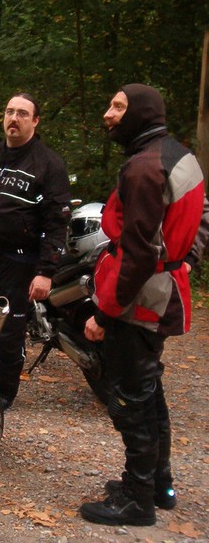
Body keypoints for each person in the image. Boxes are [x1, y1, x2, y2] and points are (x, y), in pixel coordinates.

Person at [79, 84, 204, 526]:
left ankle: (137, 498)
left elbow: (137, 253)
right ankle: (157, 483)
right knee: (149, 391)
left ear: (141, 113)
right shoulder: (178, 155)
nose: (108, 114)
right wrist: (187, 258)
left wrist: (104, 313)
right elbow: (201, 215)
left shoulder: (144, 168)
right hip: (163, 288)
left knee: (131, 397)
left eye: (117, 107)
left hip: (142, 299)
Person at [0, 93, 71, 411]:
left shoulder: (49, 164)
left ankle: (3, 394)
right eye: (9, 112)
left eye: (22, 113)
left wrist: (46, 271)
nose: (14, 118)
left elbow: (57, 222)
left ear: (35, 121)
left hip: (22, 261)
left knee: (9, 331)